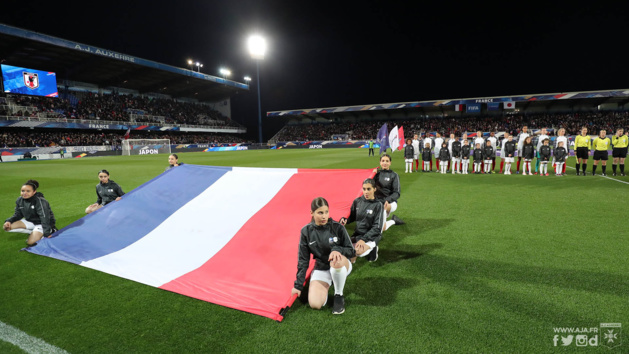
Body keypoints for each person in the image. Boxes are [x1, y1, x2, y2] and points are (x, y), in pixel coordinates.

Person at [291, 197, 355, 315]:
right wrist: (298, 285)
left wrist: (337, 250)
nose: (324, 216)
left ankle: (338, 295)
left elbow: (351, 251)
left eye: (326, 212)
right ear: (312, 213)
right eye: (320, 213)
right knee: (315, 304)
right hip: (322, 267)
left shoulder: (337, 227)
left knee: (335, 260)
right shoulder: (306, 231)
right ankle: (330, 282)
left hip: (341, 264)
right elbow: (303, 260)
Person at [340, 179, 383, 263]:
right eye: (364, 189)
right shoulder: (357, 201)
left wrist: (364, 239)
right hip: (358, 235)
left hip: (372, 236)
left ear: (374, 189)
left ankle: (373, 248)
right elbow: (351, 217)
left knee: (356, 251)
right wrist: (345, 220)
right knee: (341, 248)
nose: (366, 192)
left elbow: (377, 228)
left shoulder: (378, 205)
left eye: (368, 189)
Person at [3, 180, 57, 246]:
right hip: (30, 221)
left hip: (41, 224)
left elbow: (44, 217)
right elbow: (18, 214)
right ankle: (33, 232)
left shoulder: (40, 201)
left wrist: (47, 232)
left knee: (30, 242)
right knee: (7, 227)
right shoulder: (19, 200)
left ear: (34, 192)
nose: (24, 193)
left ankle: (52, 230)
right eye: (23, 191)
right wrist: (9, 221)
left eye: (28, 191)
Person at [373, 154, 404, 229]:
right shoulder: (376, 174)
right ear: (380, 162)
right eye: (383, 161)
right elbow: (368, 187)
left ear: (390, 163)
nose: (385, 163)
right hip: (377, 201)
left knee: (381, 228)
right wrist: (373, 175)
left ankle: (393, 220)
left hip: (389, 203)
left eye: (387, 161)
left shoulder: (394, 175)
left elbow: (397, 193)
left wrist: (387, 200)